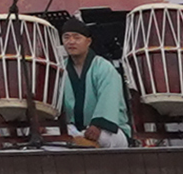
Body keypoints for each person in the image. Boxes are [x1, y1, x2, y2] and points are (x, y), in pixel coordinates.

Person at [54, 17, 130, 146]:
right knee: (48, 139)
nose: (71, 41)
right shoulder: (60, 69)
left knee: (103, 139)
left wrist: (98, 125)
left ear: (88, 41)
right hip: (74, 129)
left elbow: (109, 99)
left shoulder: (104, 67)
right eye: (66, 37)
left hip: (108, 130)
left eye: (77, 37)